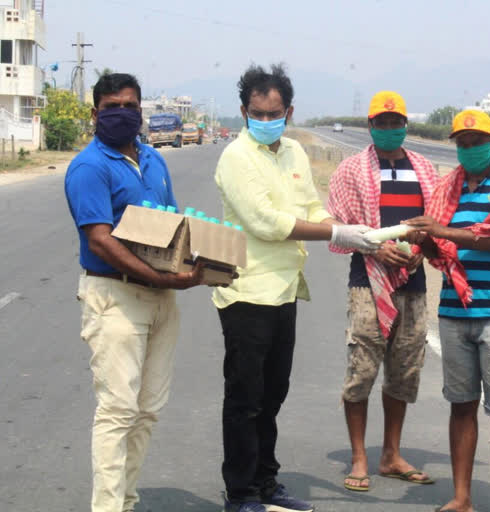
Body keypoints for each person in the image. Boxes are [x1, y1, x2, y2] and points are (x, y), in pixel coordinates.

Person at [211, 64, 379, 512]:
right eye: (257, 113)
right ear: (244, 111)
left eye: (275, 113)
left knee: (273, 393)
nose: (266, 120)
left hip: (285, 290)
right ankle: (241, 491)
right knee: (245, 398)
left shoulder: (294, 154)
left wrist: (342, 226)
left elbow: (310, 206)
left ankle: (267, 483)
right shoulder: (236, 157)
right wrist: (338, 235)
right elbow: (267, 223)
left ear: (289, 111)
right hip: (246, 290)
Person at [64, 73, 208, 512]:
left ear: (141, 109)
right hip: (116, 298)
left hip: (161, 300)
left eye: (130, 105)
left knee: (147, 411)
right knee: (117, 411)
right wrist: (160, 277)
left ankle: (125, 500)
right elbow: (100, 240)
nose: (122, 113)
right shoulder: (90, 167)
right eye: (112, 107)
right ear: (95, 114)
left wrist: (201, 266)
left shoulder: (153, 160)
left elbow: (174, 224)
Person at [405, 110, 490, 512]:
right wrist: (423, 241)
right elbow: (440, 254)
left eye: (477, 142)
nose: (469, 150)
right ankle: (461, 497)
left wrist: (440, 231)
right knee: (461, 405)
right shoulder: (449, 188)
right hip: (455, 309)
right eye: (462, 144)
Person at [326, 91, 439, 492]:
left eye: (396, 123)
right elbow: (338, 224)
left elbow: (435, 224)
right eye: (382, 123)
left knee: (405, 370)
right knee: (362, 369)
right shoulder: (352, 170)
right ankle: (359, 457)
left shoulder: (425, 168)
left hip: (413, 281)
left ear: (406, 125)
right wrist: (375, 245)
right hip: (367, 280)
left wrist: (420, 251)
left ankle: (391, 454)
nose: (390, 130)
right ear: (370, 126)